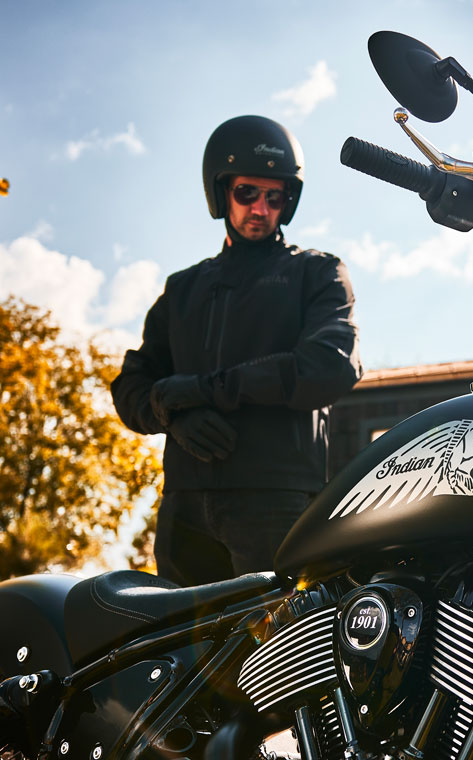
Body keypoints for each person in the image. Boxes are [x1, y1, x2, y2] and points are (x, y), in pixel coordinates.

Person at [112, 115, 362, 586]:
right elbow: (131, 385)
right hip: (184, 509)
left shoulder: (317, 273)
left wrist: (205, 390)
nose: (260, 208)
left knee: (282, 631)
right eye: (247, 193)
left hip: (277, 502)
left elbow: (331, 364)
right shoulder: (182, 289)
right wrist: (173, 415)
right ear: (221, 191)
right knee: (181, 633)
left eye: (275, 197)